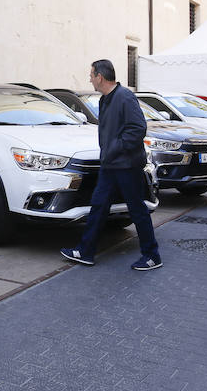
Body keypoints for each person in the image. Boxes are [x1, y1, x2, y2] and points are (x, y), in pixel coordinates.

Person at [60, 59, 161, 270]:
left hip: (126, 165)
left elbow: (137, 129)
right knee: (98, 206)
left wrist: (115, 147)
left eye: (91, 75)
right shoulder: (105, 100)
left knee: (137, 209)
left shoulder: (125, 97)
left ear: (100, 77)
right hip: (110, 165)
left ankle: (152, 256)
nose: (90, 79)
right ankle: (86, 252)